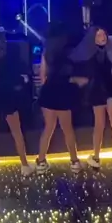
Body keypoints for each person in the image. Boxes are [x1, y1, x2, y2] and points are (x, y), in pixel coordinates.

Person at [70, 26, 112, 170]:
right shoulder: (102, 54)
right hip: (107, 92)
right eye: (98, 35)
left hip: (99, 92)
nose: (102, 37)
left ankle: (97, 157)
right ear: (93, 38)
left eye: (103, 34)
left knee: (101, 126)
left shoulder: (94, 53)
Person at [0, 32, 34, 178]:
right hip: (8, 98)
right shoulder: (7, 57)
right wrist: (23, 80)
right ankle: (24, 165)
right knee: (17, 133)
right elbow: (14, 78)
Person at [37, 24, 84, 175]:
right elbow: (68, 75)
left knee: (48, 128)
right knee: (67, 129)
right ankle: (74, 162)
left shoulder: (46, 52)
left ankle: (41, 162)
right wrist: (76, 80)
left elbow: (42, 76)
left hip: (48, 92)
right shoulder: (68, 52)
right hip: (63, 93)